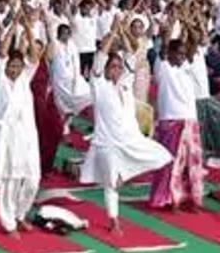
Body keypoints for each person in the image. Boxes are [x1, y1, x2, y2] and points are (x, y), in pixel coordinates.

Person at [82, 38, 171, 233]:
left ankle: (126, 173)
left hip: (132, 140)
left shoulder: (125, 84)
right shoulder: (99, 85)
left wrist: (123, 31)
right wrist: (114, 32)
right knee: (111, 184)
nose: (116, 70)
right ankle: (114, 221)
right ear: (105, 69)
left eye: (118, 67)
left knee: (164, 157)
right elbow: (100, 58)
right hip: (108, 143)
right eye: (112, 67)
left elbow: (132, 55)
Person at [0, 18, 42, 237]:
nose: (15, 70)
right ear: (5, 66)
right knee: (8, 182)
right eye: (11, 66)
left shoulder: (25, 78)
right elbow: (2, 51)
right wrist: (14, 25)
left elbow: (34, 55)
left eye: (18, 66)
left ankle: (20, 214)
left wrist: (29, 28)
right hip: (5, 139)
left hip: (27, 138)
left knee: (32, 179)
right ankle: (8, 223)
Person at [148, 24, 206, 211]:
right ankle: (169, 199)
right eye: (178, 53)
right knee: (171, 163)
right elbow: (164, 47)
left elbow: (194, 44)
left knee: (191, 164)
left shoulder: (186, 67)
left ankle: (189, 199)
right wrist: (169, 28)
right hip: (171, 121)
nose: (182, 56)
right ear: (170, 54)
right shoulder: (163, 67)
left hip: (189, 120)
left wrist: (189, 22)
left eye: (183, 54)